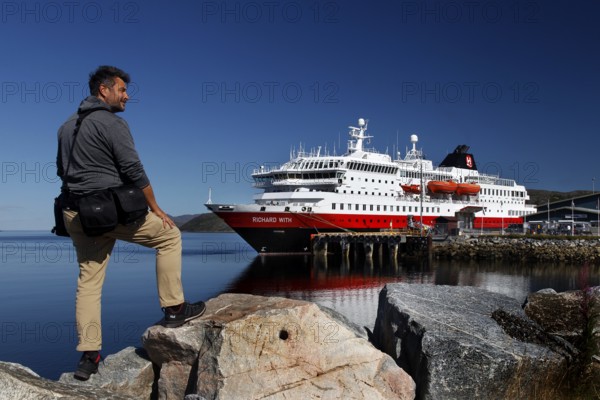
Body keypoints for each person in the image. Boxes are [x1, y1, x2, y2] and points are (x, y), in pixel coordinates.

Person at [56, 66, 205, 381]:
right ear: (104, 90)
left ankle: (89, 356)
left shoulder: (66, 126)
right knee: (169, 236)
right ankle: (175, 309)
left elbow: (62, 171)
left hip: (74, 213)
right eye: (122, 90)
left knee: (89, 281)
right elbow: (134, 170)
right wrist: (156, 208)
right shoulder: (112, 123)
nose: (127, 96)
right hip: (106, 212)